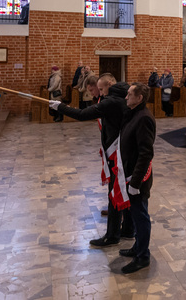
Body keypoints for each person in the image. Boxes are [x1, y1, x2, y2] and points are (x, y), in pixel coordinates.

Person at [50, 74, 135, 245]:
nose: (99, 93)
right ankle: (127, 229)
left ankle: (112, 236)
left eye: (101, 89)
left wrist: (61, 107)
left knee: (115, 192)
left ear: (109, 84)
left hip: (118, 152)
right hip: (123, 149)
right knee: (123, 189)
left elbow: (82, 114)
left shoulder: (111, 101)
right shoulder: (120, 97)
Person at [116, 83, 156, 274]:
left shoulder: (144, 118)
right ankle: (137, 247)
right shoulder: (133, 114)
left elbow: (146, 153)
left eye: (130, 94)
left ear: (139, 98)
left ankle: (143, 256)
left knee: (141, 216)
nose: (126, 97)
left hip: (137, 178)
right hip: (129, 174)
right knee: (134, 213)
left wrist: (135, 182)